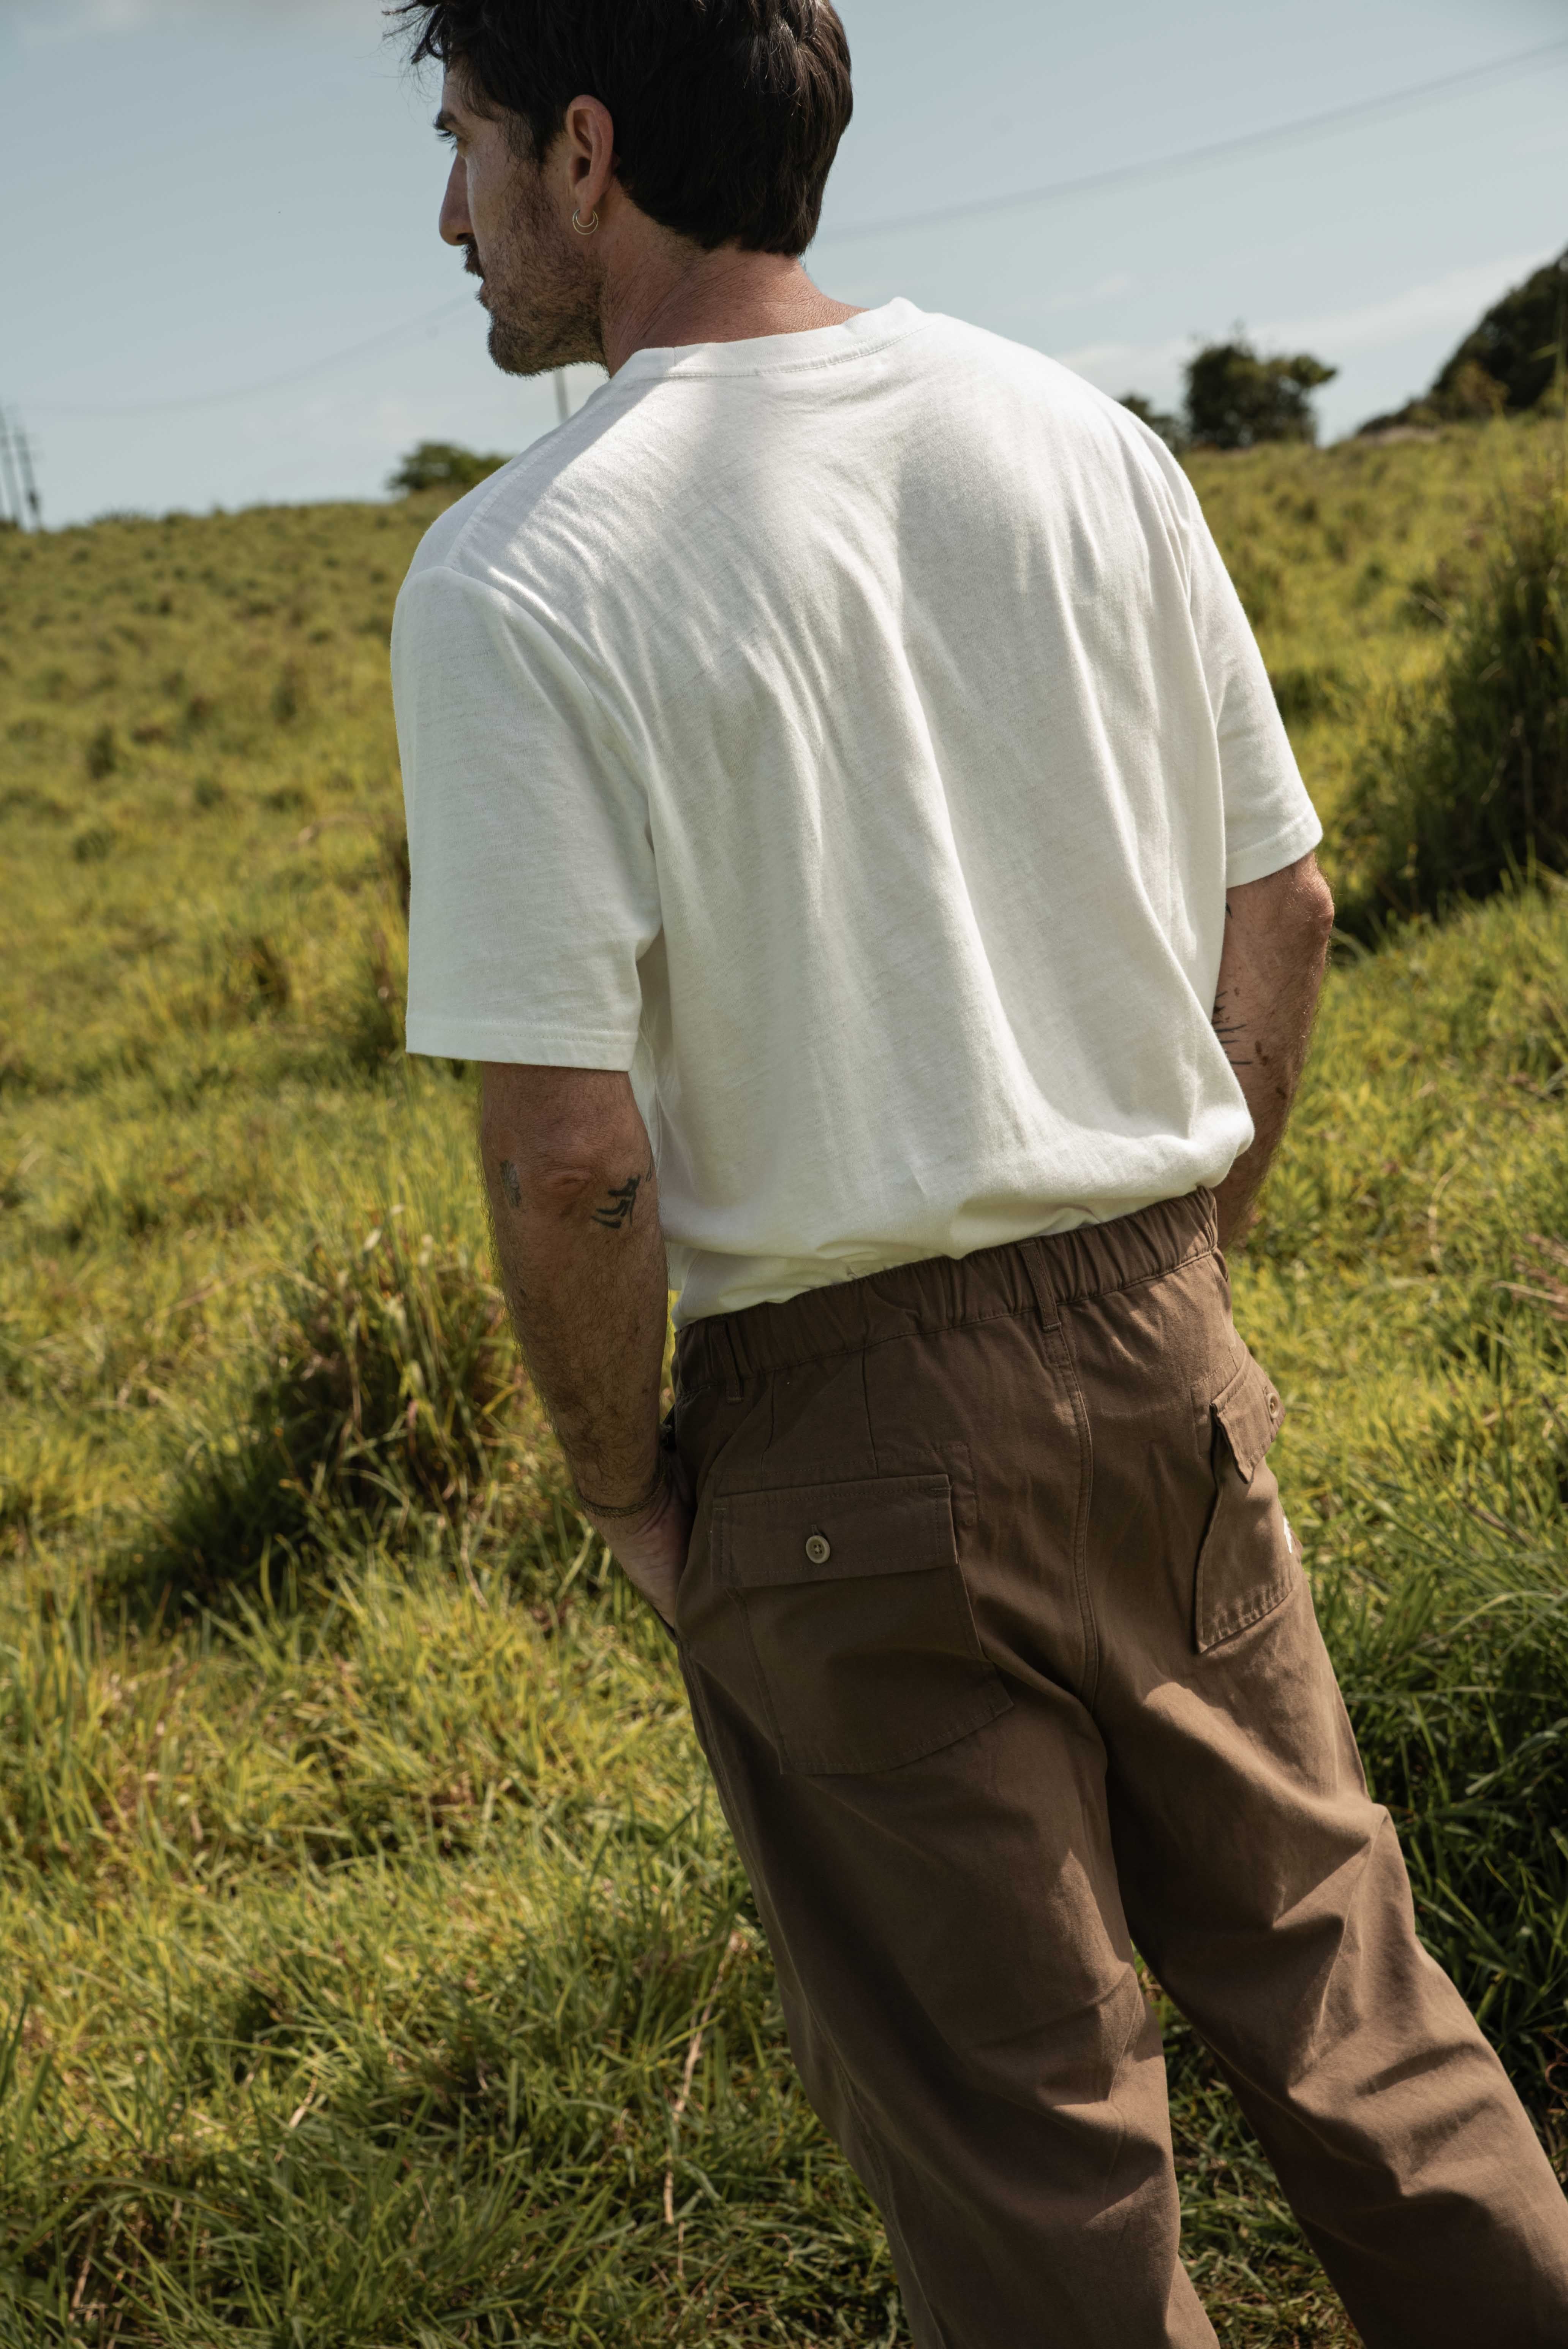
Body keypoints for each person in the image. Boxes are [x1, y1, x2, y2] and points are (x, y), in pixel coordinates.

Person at [387, 4, 1568, 2341]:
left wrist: (631, 1484)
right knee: (1376, 2041)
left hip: (837, 1446)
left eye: (470, 147)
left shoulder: (520, 572)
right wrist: (1187, 1270)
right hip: (1162, 1337)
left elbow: (572, 1161)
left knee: (1042, 2193)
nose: (451, 215)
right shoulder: (1084, 442)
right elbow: (1291, 906)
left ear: (589, 152)